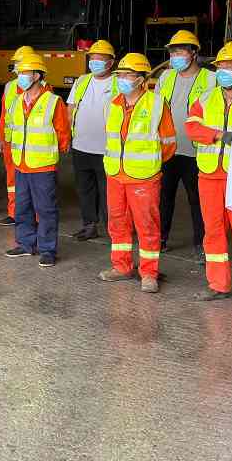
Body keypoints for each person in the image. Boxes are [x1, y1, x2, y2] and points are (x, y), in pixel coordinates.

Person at [185, 42, 232, 312]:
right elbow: (192, 127)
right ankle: (218, 285)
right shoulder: (206, 98)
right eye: (220, 67)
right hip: (209, 176)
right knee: (213, 231)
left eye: (229, 66)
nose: (223, 71)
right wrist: (218, 135)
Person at [99, 53, 176, 293]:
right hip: (115, 175)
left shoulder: (155, 103)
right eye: (120, 75)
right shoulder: (112, 104)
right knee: (118, 224)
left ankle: (149, 273)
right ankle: (121, 267)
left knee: (147, 225)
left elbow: (169, 143)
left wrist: (148, 165)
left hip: (143, 177)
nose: (122, 80)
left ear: (141, 79)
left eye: (127, 75)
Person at [3, 53, 70, 267]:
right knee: (22, 207)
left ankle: (48, 249)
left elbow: (63, 134)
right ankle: (25, 244)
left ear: (37, 75)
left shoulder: (53, 101)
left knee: (46, 209)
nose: (20, 77)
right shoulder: (16, 101)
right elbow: (11, 129)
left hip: (42, 166)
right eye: (19, 72)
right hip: (21, 164)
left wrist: (51, 155)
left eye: (24, 73)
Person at [156, 30, 215, 260]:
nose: (175, 56)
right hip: (169, 150)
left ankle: (202, 245)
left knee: (198, 202)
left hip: (196, 153)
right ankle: (160, 239)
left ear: (193, 53)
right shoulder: (165, 78)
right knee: (164, 198)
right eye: (172, 51)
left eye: (180, 51)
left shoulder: (210, 79)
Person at [67, 40, 118, 241]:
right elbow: (70, 108)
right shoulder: (82, 81)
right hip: (81, 145)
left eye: (100, 59)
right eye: (92, 58)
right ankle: (89, 225)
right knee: (85, 188)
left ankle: (113, 229)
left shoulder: (118, 83)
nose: (95, 62)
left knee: (108, 192)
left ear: (111, 62)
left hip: (107, 149)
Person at [0, 46, 37, 226]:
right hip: (12, 142)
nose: (17, 67)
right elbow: (4, 115)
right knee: (12, 179)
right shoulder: (9, 87)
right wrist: (2, 139)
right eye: (16, 64)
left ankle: (35, 216)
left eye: (19, 63)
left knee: (33, 182)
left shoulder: (43, 89)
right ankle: (14, 213)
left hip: (32, 144)